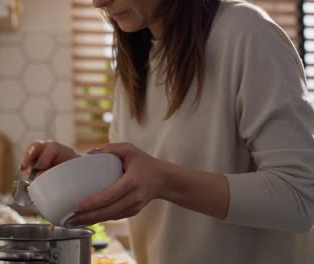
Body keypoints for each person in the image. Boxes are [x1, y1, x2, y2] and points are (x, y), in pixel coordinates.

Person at [20, 0, 314, 263]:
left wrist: (164, 181)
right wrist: (78, 172)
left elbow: (301, 198)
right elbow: (142, 177)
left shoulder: (247, 34)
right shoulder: (134, 62)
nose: (98, 2)